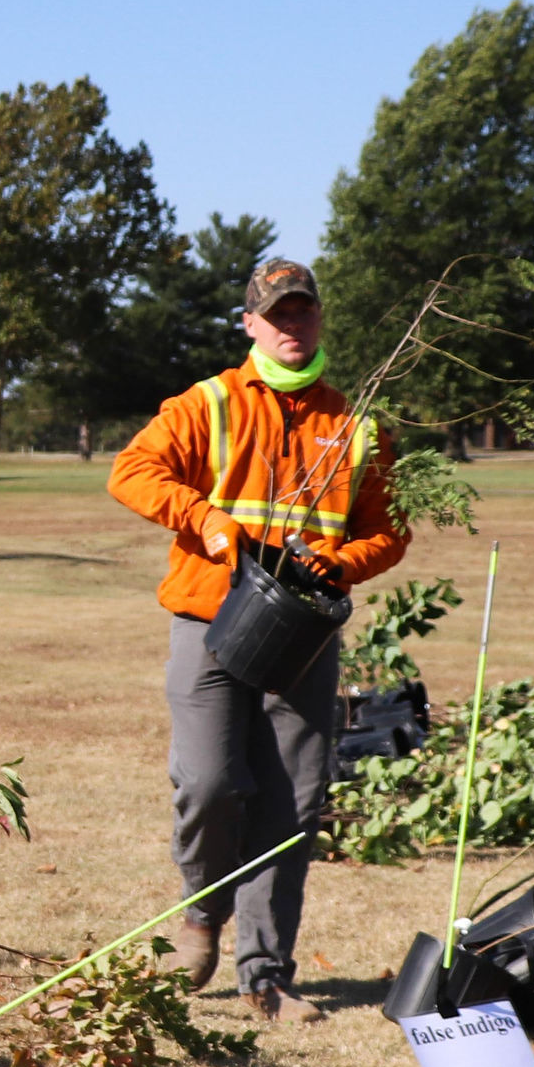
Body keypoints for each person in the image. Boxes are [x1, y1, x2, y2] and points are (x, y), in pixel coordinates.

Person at [106, 256, 406, 1019]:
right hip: (208, 619)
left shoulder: (358, 423)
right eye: (277, 314)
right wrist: (203, 518)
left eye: (302, 311)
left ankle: (266, 975)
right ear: (250, 325)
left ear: (318, 319)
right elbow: (132, 471)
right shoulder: (206, 404)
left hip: (301, 634)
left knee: (293, 807)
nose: (291, 325)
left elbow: (389, 530)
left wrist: (337, 562)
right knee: (209, 783)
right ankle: (202, 915)